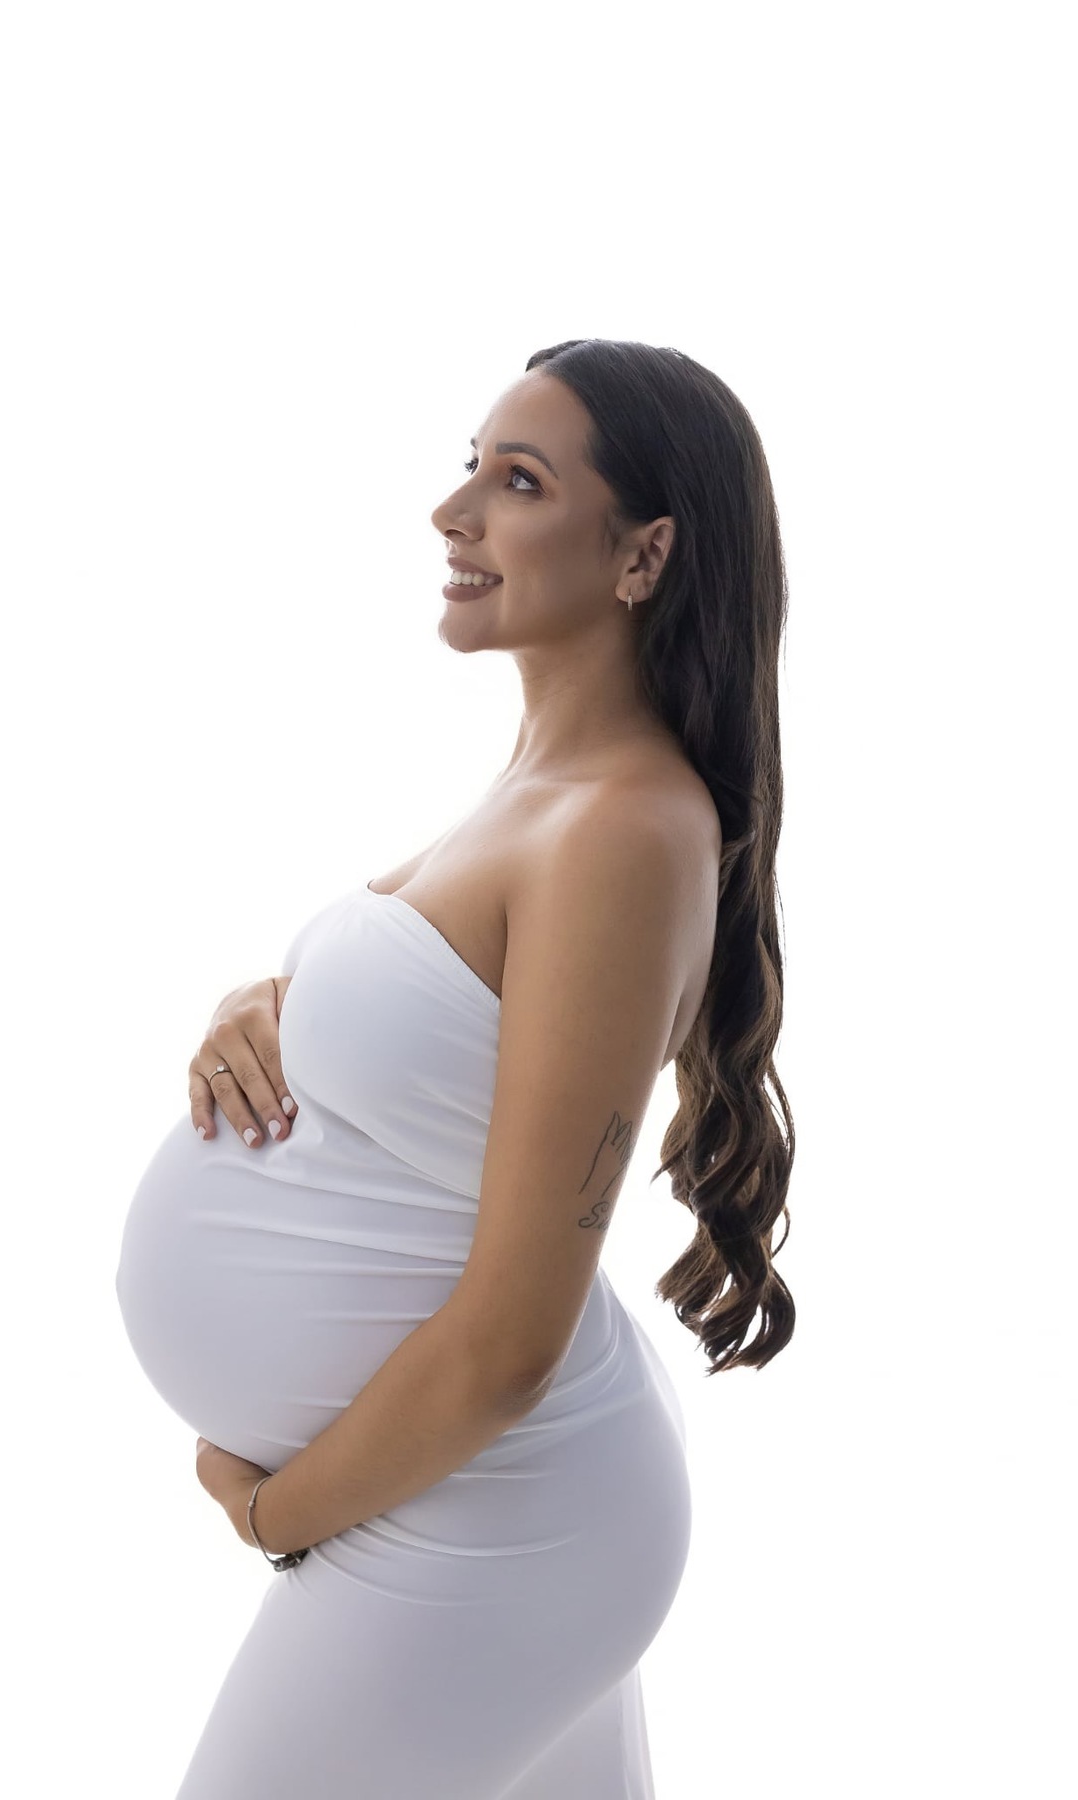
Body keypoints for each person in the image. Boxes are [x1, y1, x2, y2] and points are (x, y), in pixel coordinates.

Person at [115, 337, 796, 1798]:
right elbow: (445, 1053)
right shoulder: (541, 790)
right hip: (478, 1492)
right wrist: (265, 1009)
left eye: (521, 480)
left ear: (644, 555)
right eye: (467, 465)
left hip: (501, 1505)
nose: (456, 511)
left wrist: (276, 1514)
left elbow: (510, 1342)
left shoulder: (624, 826)